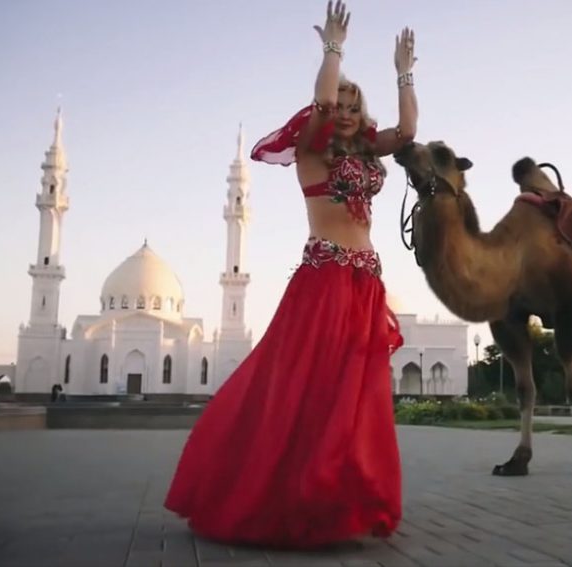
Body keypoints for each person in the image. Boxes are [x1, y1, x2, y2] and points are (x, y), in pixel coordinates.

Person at [163, 0, 418, 549]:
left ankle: (340, 495)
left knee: (354, 393)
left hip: (365, 283)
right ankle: (288, 494)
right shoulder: (311, 151)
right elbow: (322, 100)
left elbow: (408, 130)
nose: (345, 110)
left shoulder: (367, 152)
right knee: (309, 385)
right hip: (324, 280)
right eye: (340, 104)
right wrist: (334, 48)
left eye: (354, 103)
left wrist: (403, 73)